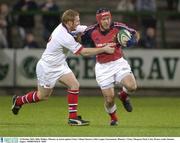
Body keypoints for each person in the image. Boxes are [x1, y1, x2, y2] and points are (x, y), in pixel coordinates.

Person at [11, 9, 115, 126]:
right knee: (42, 96)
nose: (78, 23)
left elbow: (87, 29)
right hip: (48, 68)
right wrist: (103, 49)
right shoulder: (62, 35)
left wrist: (105, 27)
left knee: (74, 85)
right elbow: (83, 52)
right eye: (77, 21)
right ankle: (19, 101)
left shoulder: (69, 27)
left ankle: (73, 118)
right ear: (69, 22)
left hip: (60, 65)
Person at [81, 8, 140, 126]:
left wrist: (132, 41)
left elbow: (136, 34)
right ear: (99, 20)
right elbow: (78, 42)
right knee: (109, 99)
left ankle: (123, 95)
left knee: (132, 86)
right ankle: (114, 118)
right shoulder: (90, 31)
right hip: (103, 67)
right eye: (103, 19)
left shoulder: (118, 27)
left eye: (108, 18)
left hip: (118, 62)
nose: (107, 21)